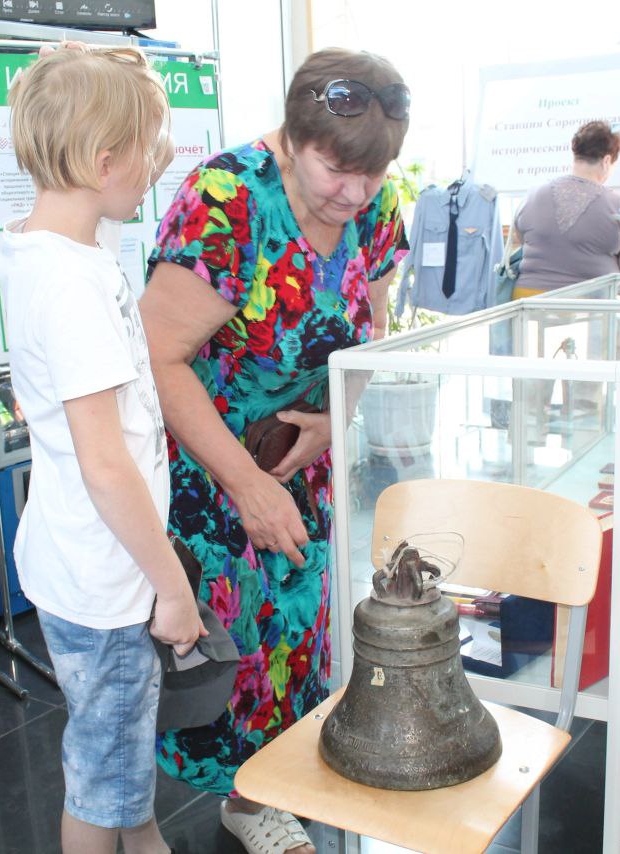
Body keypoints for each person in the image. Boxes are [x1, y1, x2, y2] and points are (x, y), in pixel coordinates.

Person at [139, 48, 410, 854]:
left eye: (372, 173)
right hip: (212, 462)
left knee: (300, 633)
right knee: (230, 642)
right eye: (337, 169)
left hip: (301, 459)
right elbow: (157, 359)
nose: (354, 193)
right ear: (292, 138)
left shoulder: (380, 202)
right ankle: (240, 795)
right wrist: (246, 486)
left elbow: (373, 335)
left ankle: (267, 789)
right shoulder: (226, 200)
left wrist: (334, 418)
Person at [0, 44, 204, 854]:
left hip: (80, 559)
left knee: (115, 766)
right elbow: (105, 461)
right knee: (100, 780)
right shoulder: (73, 286)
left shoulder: (45, 251)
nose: (161, 165)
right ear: (104, 159)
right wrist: (173, 587)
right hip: (109, 579)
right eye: (154, 148)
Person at [509, 120, 620, 297]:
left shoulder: (532, 196)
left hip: (530, 303)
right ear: (607, 161)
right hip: (590, 307)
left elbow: (523, 239)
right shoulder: (618, 205)